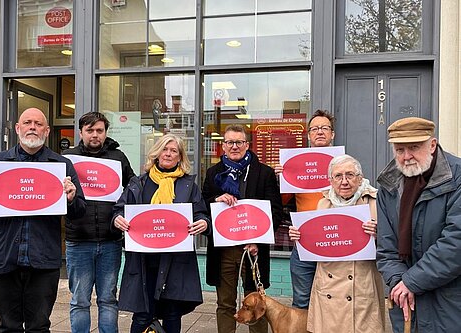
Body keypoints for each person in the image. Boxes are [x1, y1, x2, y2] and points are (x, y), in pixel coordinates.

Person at [0, 108, 86, 332]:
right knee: (7, 327)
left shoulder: (61, 166)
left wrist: (71, 198)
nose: (32, 127)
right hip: (3, 260)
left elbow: (79, 212)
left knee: (39, 327)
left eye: (38, 124)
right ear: (18, 129)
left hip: (43, 261)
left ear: (47, 131)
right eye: (27, 123)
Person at [112, 133, 210, 333]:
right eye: (164, 149)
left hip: (175, 261)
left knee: (172, 313)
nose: (168, 154)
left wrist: (203, 223)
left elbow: (201, 213)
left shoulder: (189, 185)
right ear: (156, 153)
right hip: (144, 261)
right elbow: (119, 209)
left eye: (174, 150)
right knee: (142, 314)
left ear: (180, 157)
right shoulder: (138, 183)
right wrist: (117, 219)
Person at [376, 117, 461, 332]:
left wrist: (411, 282)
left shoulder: (457, 177)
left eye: (414, 147)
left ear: (432, 145)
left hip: (449, 301)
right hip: (406, 302)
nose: (406, 157)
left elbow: (455, 243)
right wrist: (398, 283)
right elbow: (386, 248)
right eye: (399, 149)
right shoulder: (388, 185)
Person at [289, 154, 385, 332]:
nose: (344, 181)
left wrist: (379, 234)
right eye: (338, 176)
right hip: (328, 284)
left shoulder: (375, 201)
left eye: (350, 175)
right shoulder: (323, 203)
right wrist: (300, 235)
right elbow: (316, 240)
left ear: (360, 178)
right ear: (331, 180)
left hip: (360, 283)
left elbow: (392, 242)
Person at [202, 124, 283, 333]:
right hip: (223, 251)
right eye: (230, 142)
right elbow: (202, 206)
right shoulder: (213, 173)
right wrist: (216, 199)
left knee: (256, 304)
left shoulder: (264, 173)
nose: (234, 146)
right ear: (223, 145)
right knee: (225, 303)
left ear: (247, 144)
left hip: (253, 249)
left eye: (239, 142)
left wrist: (259, 239)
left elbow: (275, 211)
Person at [62, 112, 135, 333]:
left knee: (108, 299)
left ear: (105, 132)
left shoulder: (118, 157)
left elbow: (133, 189)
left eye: (100, 131)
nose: (95, 135)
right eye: (90, 130)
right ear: (81, 132)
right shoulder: (67, 158)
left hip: (110, 240)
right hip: (78, 240)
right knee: (80, 301)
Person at [275, 109, 335, 309]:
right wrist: (282, 178)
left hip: (334, 240)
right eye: (315, 128)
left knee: (334, 300)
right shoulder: (297, 164)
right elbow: (282, 201)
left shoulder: (343, 164)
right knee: (302, 301)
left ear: (332, 134)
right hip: (305, 240)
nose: (320, 132)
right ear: (308, 135)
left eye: (324, 128)